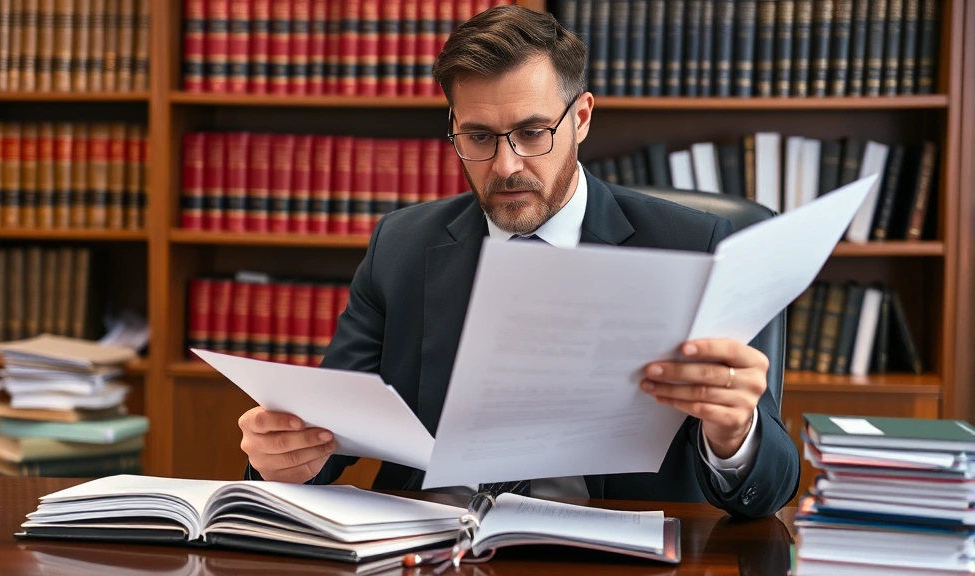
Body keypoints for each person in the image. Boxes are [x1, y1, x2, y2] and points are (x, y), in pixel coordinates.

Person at [238, 5, 799, 518]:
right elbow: (326, 433)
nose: (506, 166)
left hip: (610, 550)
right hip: (431, 544)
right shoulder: (401, 244)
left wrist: (736, 435)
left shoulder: (693, 246)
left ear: (580, 119)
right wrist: (285, 455)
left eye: (533, 132)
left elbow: (771, 488)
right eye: (477, 136)